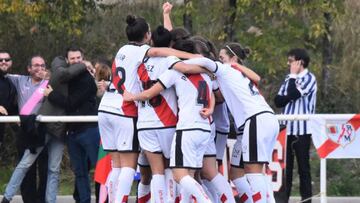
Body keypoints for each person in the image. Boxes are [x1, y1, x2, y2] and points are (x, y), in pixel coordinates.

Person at [98, 14, 199, 203]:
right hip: (124, 109)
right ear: (147, 36)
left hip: (105, 107)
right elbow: (158, 52)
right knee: (129, 166)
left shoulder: (122, 49)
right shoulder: (145, 51)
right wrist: (192, 56)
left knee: (116, 165)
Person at [181, 51, 279, 203]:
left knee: (254, 172)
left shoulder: (225, 69)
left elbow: (206, 63)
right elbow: (219, 94)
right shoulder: (237, 74)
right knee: (237, 173)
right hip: (261, 120)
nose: (220, 61)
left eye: (222, 57)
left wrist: (177, 62)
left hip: (255, 120)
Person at [45, 46, 100, 203]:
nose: (76, 61)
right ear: (68, 61)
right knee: (80, 172)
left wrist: (51, 95)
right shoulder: (66, 79)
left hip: (89, 131)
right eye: (72, 58)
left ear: (83, 60)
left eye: (78, 58)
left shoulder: (87, 80)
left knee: (99, 170)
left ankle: (105, 199)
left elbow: (70, 104)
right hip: (73, 133)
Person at [1, 55, 49, 203]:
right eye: (35, 65)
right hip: (25, 132)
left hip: (44, 131)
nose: (39, 68)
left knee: (46, 169)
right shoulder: (19, 80)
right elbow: (4, 73)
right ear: (29, 68)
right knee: (25, 168)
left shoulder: (49, 84)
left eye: (42, 65)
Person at [274, 48, 317, 203]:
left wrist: (292, 77)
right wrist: (291, 79)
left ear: (301, 62)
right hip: (286, 130)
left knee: (303, 168)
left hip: (302, 131)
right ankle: (282, 200)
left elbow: (293, 94)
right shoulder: (288, 78)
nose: (288, 64)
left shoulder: (309, 78)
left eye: (291, 61)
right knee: (286, 169)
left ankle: (307, 200)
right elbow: (278, 101)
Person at [0, 50, 17, 148]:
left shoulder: (9, 81)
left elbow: (8, 107)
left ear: (11, 62)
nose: (3, 61)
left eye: (6, 59)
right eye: (0, 60)